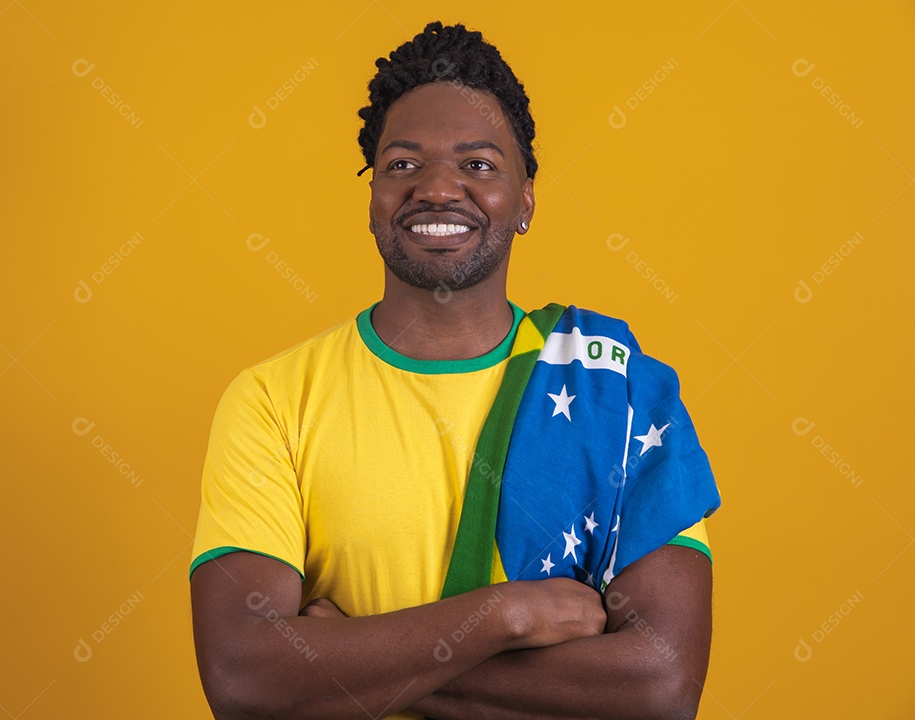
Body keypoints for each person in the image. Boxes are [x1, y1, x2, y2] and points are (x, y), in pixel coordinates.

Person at [189, 21, 720, 720]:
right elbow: (244, 680)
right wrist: (506, 616)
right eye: (403, 165)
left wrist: (336, 657)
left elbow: (660, 688)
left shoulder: (617, 392)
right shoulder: (272, 399)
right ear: (373, 195)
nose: (437, 190)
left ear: (524, 198)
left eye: (477, 165)